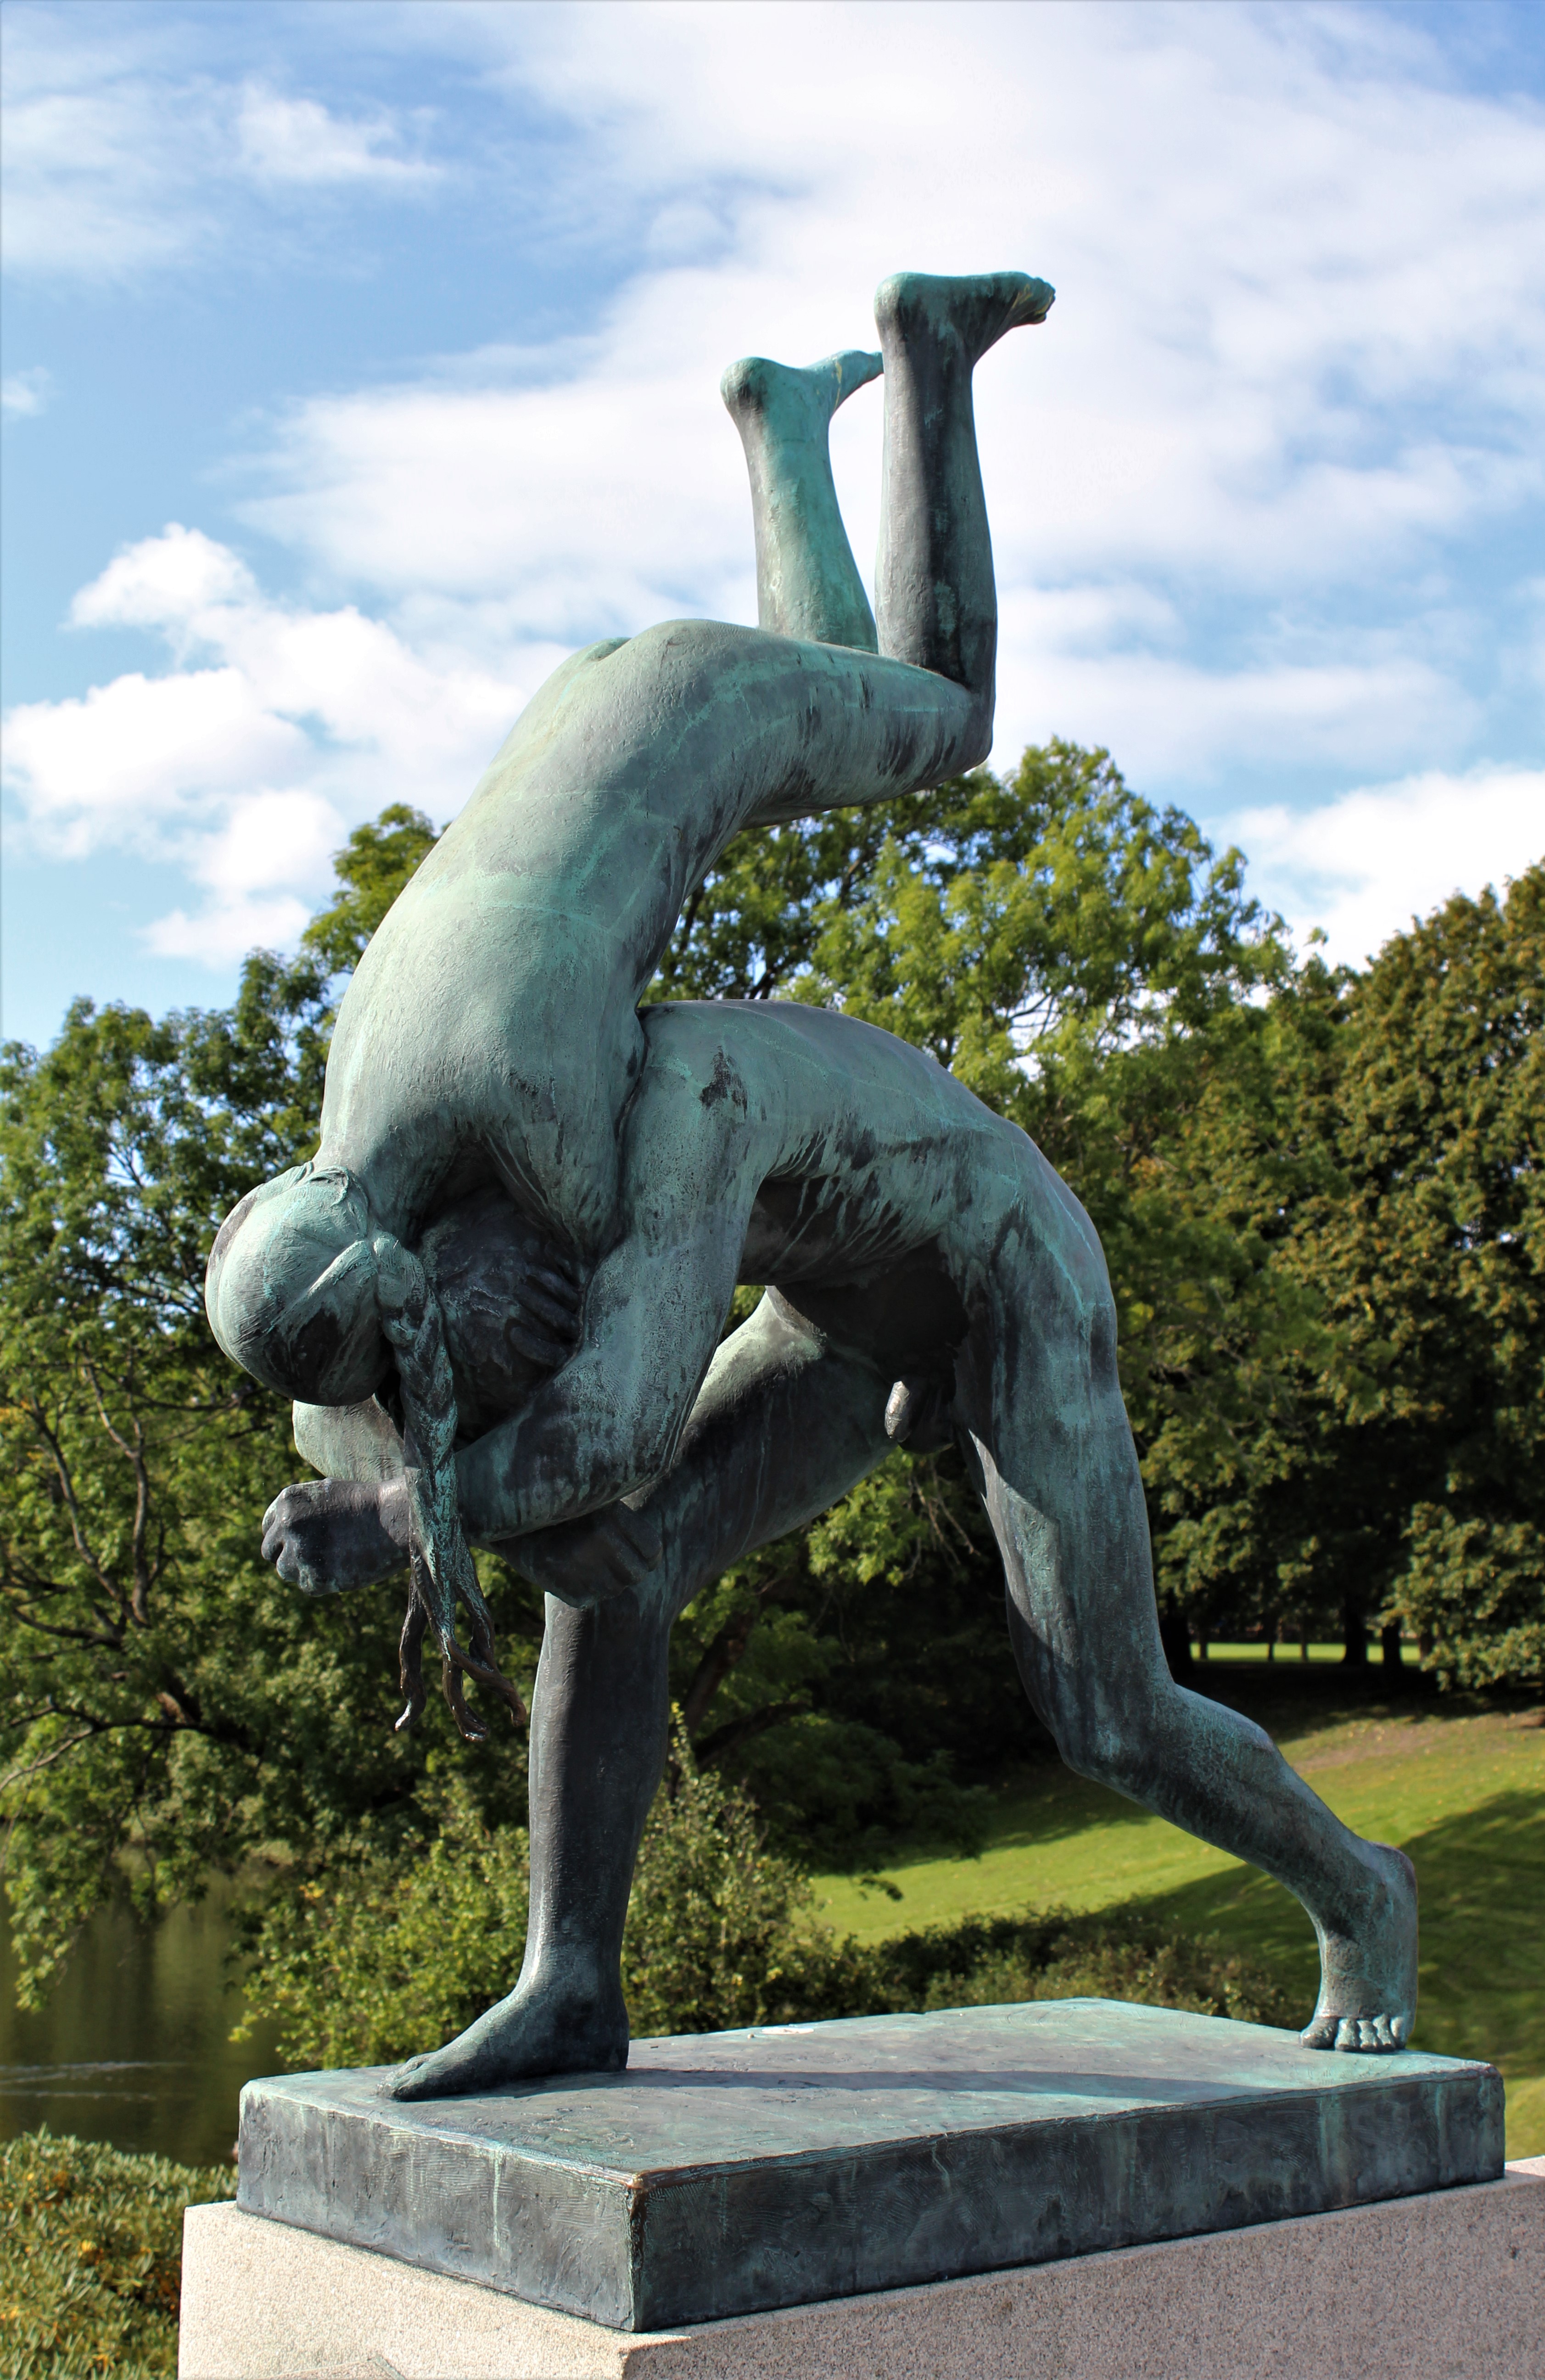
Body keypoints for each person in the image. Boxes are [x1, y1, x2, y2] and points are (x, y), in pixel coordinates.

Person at [207, 271, 1417, 2100]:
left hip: (998, 1270)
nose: (484, 1338)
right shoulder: (380, 1144)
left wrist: (401, 1518)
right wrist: (407, 1477)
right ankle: (572, 1981)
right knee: (613, 1581)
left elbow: (609, 1432)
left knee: (1102, 1714)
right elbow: (424, 1414)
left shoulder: (630, 1112)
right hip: (829, 1273)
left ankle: (1362, 1895)